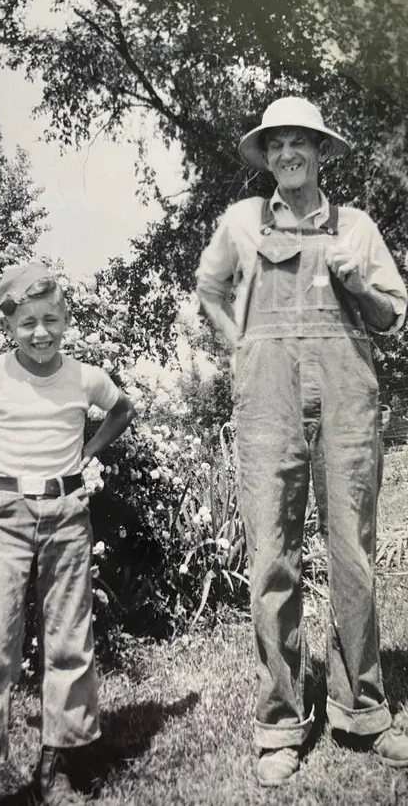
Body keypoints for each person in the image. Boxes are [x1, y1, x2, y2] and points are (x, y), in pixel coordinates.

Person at [196, 97, 408, 786]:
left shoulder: (359, 228)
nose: (288, 154)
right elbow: (209, 287)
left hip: (347, 401)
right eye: (276, 144)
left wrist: (353, 278)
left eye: (301, 144)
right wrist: (242, 349)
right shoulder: (239, 222)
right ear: (266, 156)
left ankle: (361, 710)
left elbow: (391, 320)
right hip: (268, 404)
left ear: (321, 152)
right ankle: (280, 722)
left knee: (352, 557)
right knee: (272, 561)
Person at [0, 262, 135, 805]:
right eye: (26, 323)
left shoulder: (85, 378)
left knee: (69, 641)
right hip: (3, 513)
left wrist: (87, 453)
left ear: (65, 318)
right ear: (10, 329)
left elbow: (123, 409)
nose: (40, 332)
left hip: (66, 513)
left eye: (49, 319)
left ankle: (57, 764)